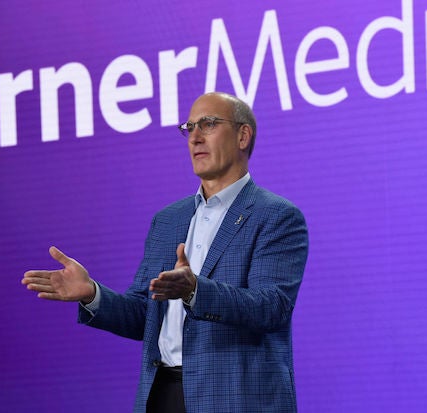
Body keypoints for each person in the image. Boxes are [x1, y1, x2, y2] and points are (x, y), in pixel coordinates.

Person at [22, 92, 308, 413]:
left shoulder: (276, 216)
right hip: (162, 394)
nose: (195, 137)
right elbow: (144, 315)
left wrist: (195, 290)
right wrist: (92, 294)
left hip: (234, 398)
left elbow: (271, 307)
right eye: (189, 127)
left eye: (208, 124)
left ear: (243, 136)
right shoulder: (168, 220)